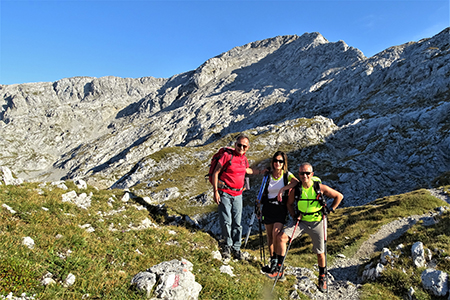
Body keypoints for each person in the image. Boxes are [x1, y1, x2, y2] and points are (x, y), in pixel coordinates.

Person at [267, 162, 343, 293]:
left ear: (312, 174)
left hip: (318, 222)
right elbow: (289, 204)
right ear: (299, 174)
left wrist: (331, 210)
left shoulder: (319, 187)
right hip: (301, 221)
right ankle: (280, 269)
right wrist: (294, 215)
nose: (304, 176)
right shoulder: (296, 189)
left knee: (320, 252)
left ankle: (322, 277)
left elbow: (339, 196)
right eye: (302, 173)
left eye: (307, 173)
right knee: (281, 237)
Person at [212, 134, 262, 260]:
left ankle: (236, 247)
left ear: (248, 148)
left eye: (244, 146)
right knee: (226, 221)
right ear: (235, 145)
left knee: (237, 223)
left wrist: (263, 172)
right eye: (239, 145)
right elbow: (215, 172)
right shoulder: (227, 156)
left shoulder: (244, 159)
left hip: (238, 194)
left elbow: (247, 170)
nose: (241, 147)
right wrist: (215, 191)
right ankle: (227, 245)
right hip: (225, 192)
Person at [259, 151, 299, 277]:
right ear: (273, 162)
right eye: (276, 160)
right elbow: (262, 191)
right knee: (270, 236)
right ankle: (273, 262)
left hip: (280, 208)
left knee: (277, 234)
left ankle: (278, 264)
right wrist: (259, 206)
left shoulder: (286, 174)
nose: (278, 163)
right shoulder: (268, 175)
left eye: (280, 161)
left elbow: (296, 182)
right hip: (268, 206)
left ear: (284, 163)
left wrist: (283, 189)